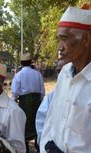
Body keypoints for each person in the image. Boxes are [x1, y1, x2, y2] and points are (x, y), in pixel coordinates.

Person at [40, 5, 91, 153]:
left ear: (86, 39)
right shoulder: (65, 73)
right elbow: (50, 121)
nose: (59, 48)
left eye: (64, 39)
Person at [11, 52, 45, 152]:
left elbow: (15, 93)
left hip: (24, 105)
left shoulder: (19, 75)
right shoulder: (37, 74)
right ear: (30, 62)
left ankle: (25, 149)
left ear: (21, 63)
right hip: (36, 104)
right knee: (36, 124)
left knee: (24, 126)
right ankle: (38, 147)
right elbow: (42, 92)